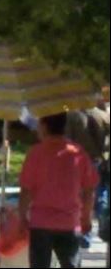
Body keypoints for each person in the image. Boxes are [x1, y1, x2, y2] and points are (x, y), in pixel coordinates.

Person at [19, 112, 99, 269]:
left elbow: (26, 190)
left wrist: (22, 217)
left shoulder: (35, 153)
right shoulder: (77, 153)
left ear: (44, 126)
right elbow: (89, 189)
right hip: (69, 222)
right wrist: (86, 217)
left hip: (40, 222)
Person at [65, 101, 110, 248]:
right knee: (92, 196)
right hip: (96, 161)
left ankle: (82, 234)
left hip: (76, 162)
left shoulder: (72, 115)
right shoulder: (103, 116)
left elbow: (67, 141)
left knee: (78, 199)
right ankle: (94, 226)